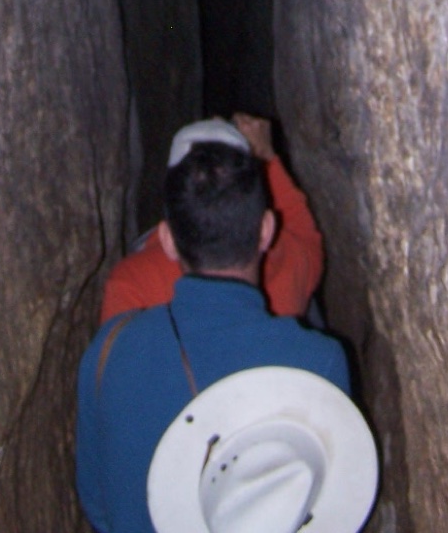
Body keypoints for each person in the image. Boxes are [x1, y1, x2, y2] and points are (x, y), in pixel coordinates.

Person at [77, 138, 356, 533]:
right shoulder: (319, 362)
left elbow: (98, 503)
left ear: (168, 240)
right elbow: (335, 505)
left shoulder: (109, 351)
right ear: (266, 230)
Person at [100, 114, 323, 324]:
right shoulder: (288, 266)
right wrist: (267, 157)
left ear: (168, 238)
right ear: (266, 229)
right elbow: (305, 235)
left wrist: (154, 242)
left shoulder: (132, 285)